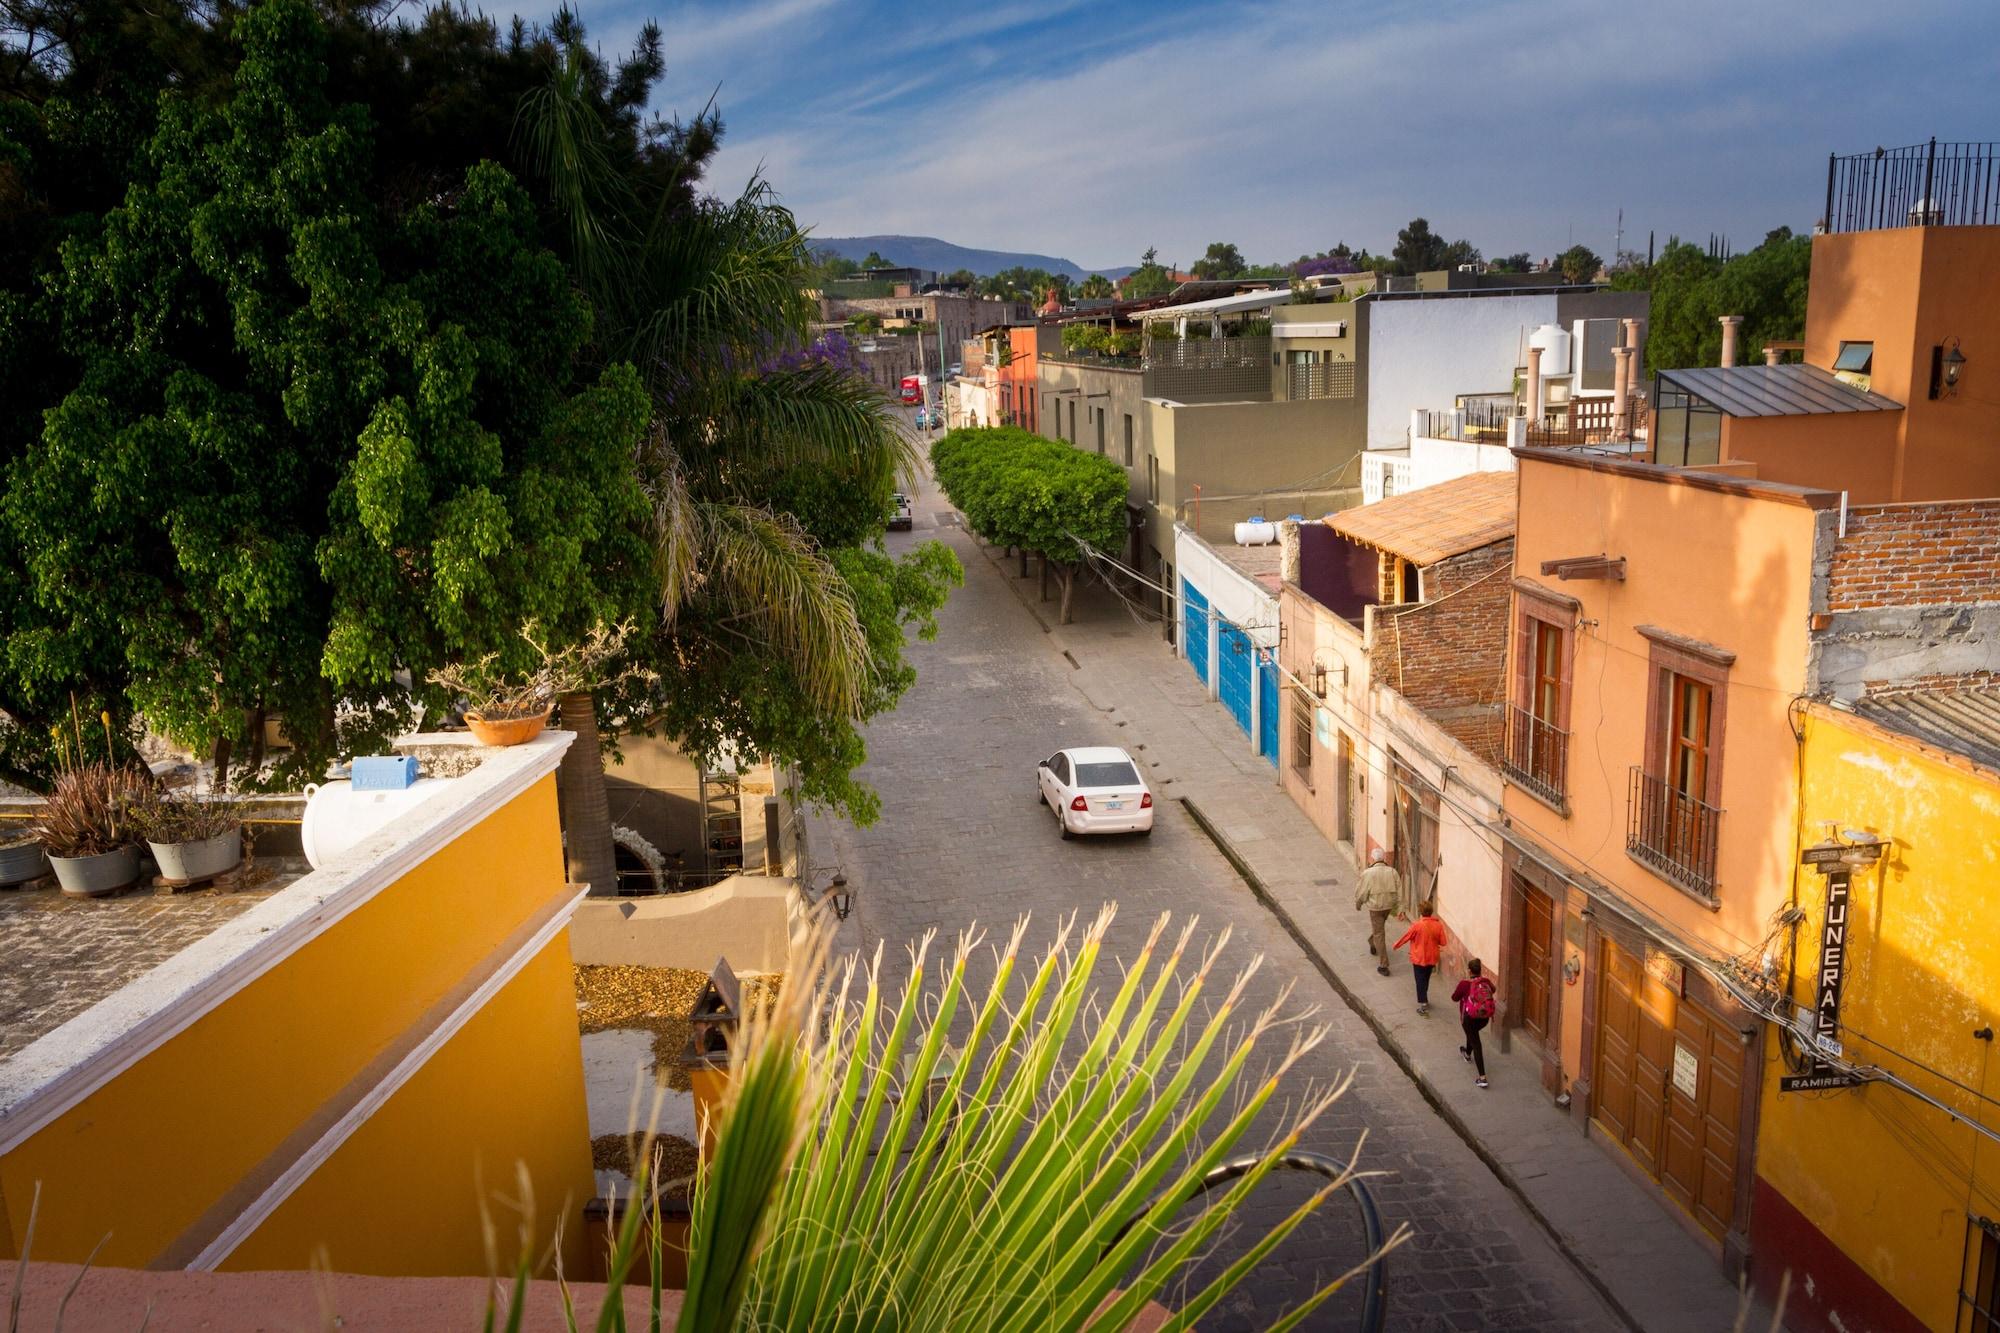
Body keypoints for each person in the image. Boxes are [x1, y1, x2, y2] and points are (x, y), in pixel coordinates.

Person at [1354, 849, 1402, 977]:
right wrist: (1400, 908)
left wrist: (1358, 904)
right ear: (1384, 858)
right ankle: (1372, 941)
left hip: (1375, 908)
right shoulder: (1392, 872)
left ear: (1373, 859)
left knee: (1379, 933)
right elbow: (1400, 891)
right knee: (1378, 930)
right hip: (1388, 907)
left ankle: (1383, 965)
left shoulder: (1368, 873)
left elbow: (1362, 892)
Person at [1393, 901, 1447, 1015]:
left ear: (1421, 912)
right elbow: (1443, 942)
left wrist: (1396, 945)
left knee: (1419, 980)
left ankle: (1423, 1002)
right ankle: (1424, 997)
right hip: (1432, 957)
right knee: (1426, 978)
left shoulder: (1417, 925)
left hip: (1419, 957)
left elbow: (1406, 937)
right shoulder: (1438, 925)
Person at [1452, 959, 1497, 1089]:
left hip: (1469, 1018)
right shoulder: (1486, 981)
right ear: (1480, 970)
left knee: (1476, 1042)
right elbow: (1492, 990)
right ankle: (1466, 1053)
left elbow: (1454, 998)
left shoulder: (1464, 984)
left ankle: (1482, 1078)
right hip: (1484, 1018)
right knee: (1472, 1035)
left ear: (1469, 970)